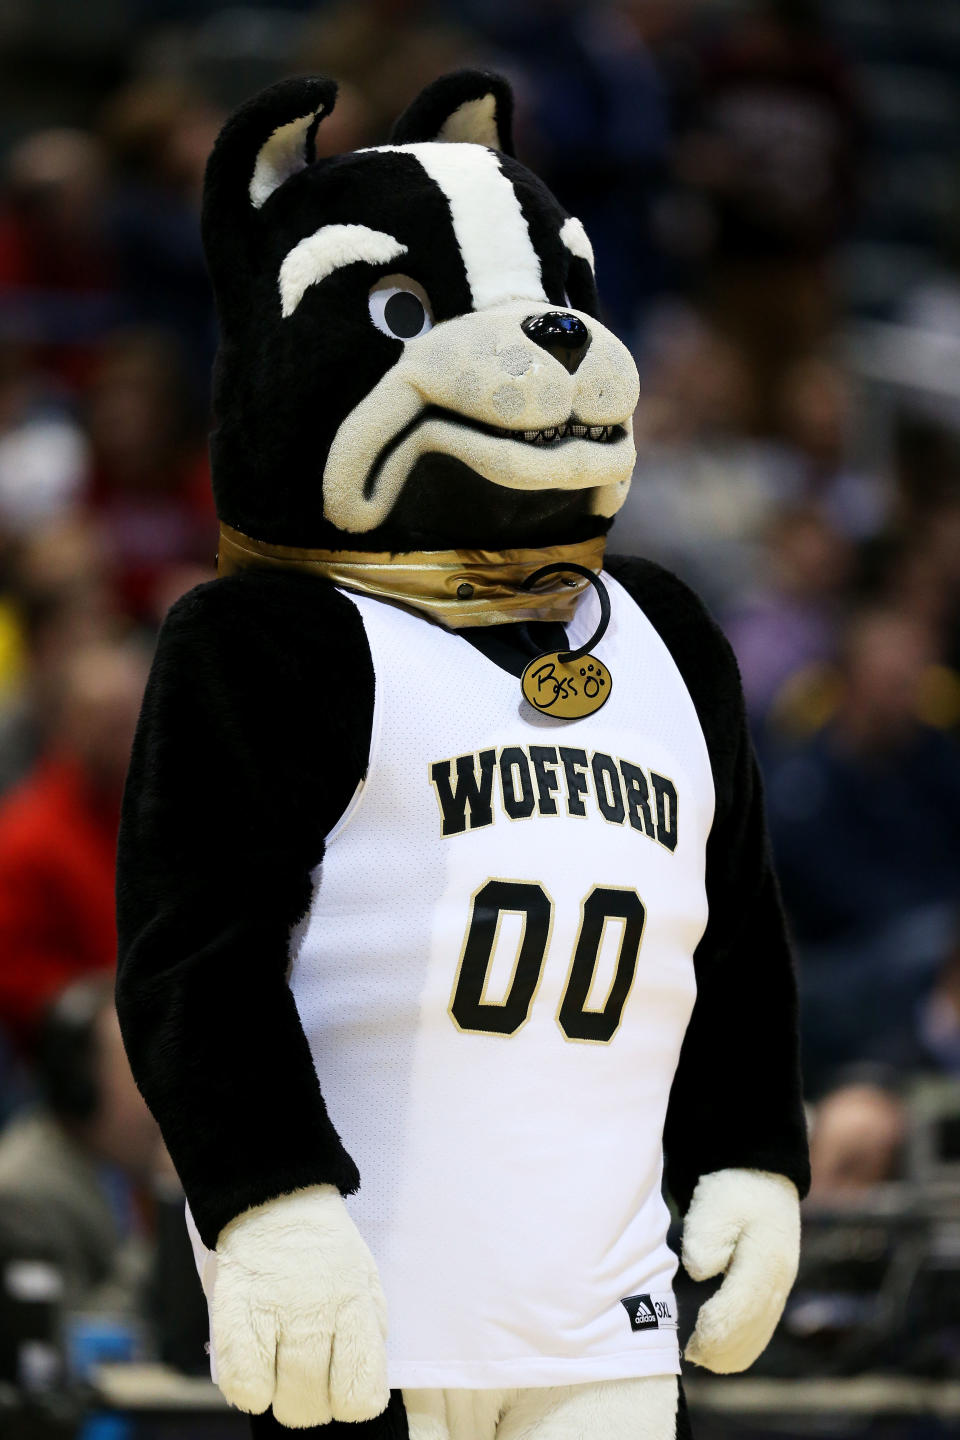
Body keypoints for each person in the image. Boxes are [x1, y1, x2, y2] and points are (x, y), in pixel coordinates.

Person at [0, 638, 148, 1049]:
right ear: (62, 725)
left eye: (129, 713)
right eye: (103, 719)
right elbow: (14, 977)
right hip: (86, 1055)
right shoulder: (26, 837)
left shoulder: (182, 807)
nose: (123, 733)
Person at [0, 977, 160, 1317]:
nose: (162, 1101)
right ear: (80, 1091)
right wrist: (171, 1221)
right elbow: (70, 1341)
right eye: (142, 1077)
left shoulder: (106, 1164)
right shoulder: (24, 1195)